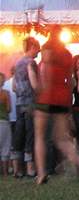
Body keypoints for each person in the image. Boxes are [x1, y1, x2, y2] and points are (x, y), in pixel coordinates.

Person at [33, 28, 79, 184]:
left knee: (40, 137)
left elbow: (44, 71)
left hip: (46, 97)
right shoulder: (67, 54)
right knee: (62, 139)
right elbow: (71, 81)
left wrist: (41, 89)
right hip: (62, 99)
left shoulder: (47, 49)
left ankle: (42, 173)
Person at [12, 36, 39, 179]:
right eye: (38, 48)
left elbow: (14, 87)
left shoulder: (17, 64)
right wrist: (40, 90)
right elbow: (34, 83)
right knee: (30, 134)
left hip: (19, 103)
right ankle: (30, 169)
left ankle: (17, 169)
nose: (39, 52)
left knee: (19, 133)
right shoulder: (31, 63)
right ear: (32, 46)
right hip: (30, 102)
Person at [0, 72, 12, 176]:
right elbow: (9, 109)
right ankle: (4, 172)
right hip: (3, 121)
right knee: (5, 147)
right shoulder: (5, 93)